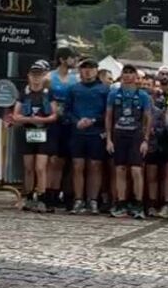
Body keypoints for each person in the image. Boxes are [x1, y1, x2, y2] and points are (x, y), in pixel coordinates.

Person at [105, 64, 152, 219]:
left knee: (136, 170)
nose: (127, 75)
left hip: (136, 136)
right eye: (125, 72)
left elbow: (148, 118)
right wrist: (109, 139)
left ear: (136, 76)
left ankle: (138, 204)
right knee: (120, 169)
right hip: (119, 134)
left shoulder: (143, 95)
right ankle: (121, 203)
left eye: (131, 73)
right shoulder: (114, 94)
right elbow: (109, 116)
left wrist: (146, 140)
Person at [12, 61, 58, 212]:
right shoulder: (24, 93)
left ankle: (42, 197)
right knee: (28, 167)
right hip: (28, 131)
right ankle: (29, 196)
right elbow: (16, 115)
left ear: (43, 77)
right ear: (29, 77)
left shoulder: (48, 93)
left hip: (44, 132)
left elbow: (54, 115)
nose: (36, 78)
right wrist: (29, 119)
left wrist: (42, 120)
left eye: (39, 75)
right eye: (33, 75)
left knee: (40, 167)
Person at [66, 58, 110, 215]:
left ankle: (93, 200)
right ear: (80, 71)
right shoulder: (73, 89)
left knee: (95, 166)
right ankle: (78, 199)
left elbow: (108, 113)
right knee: (77, 166)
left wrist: (94, 120)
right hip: (77, 132)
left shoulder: (104, 90)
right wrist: (76, 121)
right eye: (84, 68)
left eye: (91, 68)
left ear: (96, 70)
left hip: (96, 132)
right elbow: (67, 111)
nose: (88, 71)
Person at [44, 47, 78, 211]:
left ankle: (64, 193)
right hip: (53, 122)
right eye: (72, 57)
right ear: (62, 59)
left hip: (69, 122)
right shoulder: (49, 77)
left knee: (66, 160)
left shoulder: (75, 79)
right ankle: (50, 193)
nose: (74, 61)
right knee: (53, 160)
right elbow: (43, 97)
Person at [144, 86, 168, 217]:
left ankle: (153, 203)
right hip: (136, 147)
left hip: (154, 148)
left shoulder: (159, 113)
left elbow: (164, 129)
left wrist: (155, 131)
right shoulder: (136, 111)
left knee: (153, 177)